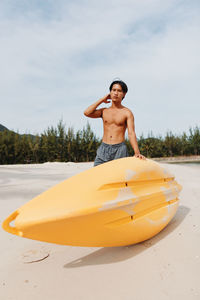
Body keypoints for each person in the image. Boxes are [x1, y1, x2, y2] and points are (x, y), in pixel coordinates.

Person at [84, 80, 145, 166]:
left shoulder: (127, 113)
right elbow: (87, 112)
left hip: (119, 150)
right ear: (110, 92)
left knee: (119, 178)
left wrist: (137, 152)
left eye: (119, 91)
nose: (116, 93)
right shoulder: (104, 111)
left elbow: (131, 133)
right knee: (98, 176)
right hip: (103, 149)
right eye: (113, 90)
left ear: (124, 94)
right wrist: (102, 100)